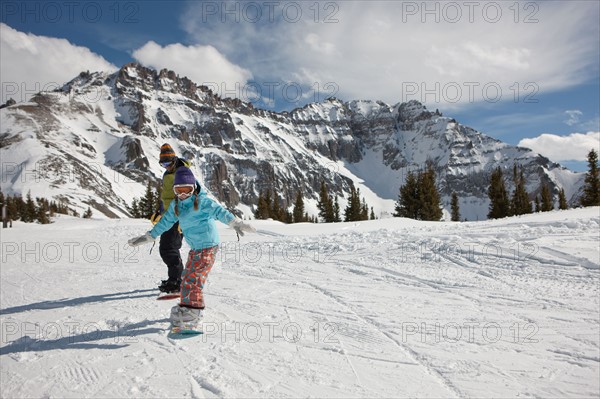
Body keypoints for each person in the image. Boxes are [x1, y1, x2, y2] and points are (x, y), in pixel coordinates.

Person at [128, 166, 256, 328]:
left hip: (208, 246)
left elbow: (220, 212)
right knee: (187, 275)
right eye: (178, 190)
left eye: (186, 190)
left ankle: (193, 312)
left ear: (193, 189)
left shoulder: (202, 202)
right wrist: (149, 236)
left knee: (192, 279)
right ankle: (190, 304)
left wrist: (235, 223)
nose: (182, 194)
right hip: (196, 247)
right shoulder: (177, 206)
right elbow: (164, 223)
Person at [154, 143, 190, 293]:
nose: (166, 166)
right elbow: (167, 196)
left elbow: (189, 194)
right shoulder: (168, 173)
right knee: (169, 248)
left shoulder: (183, 172)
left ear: (174, 159)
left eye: (168, 163)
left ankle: (177, 281)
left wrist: (184, 218)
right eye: (163, 164)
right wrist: (160, 211)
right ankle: (176, 278)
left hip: (178, 217)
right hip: (169, 216)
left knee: (169, 248)